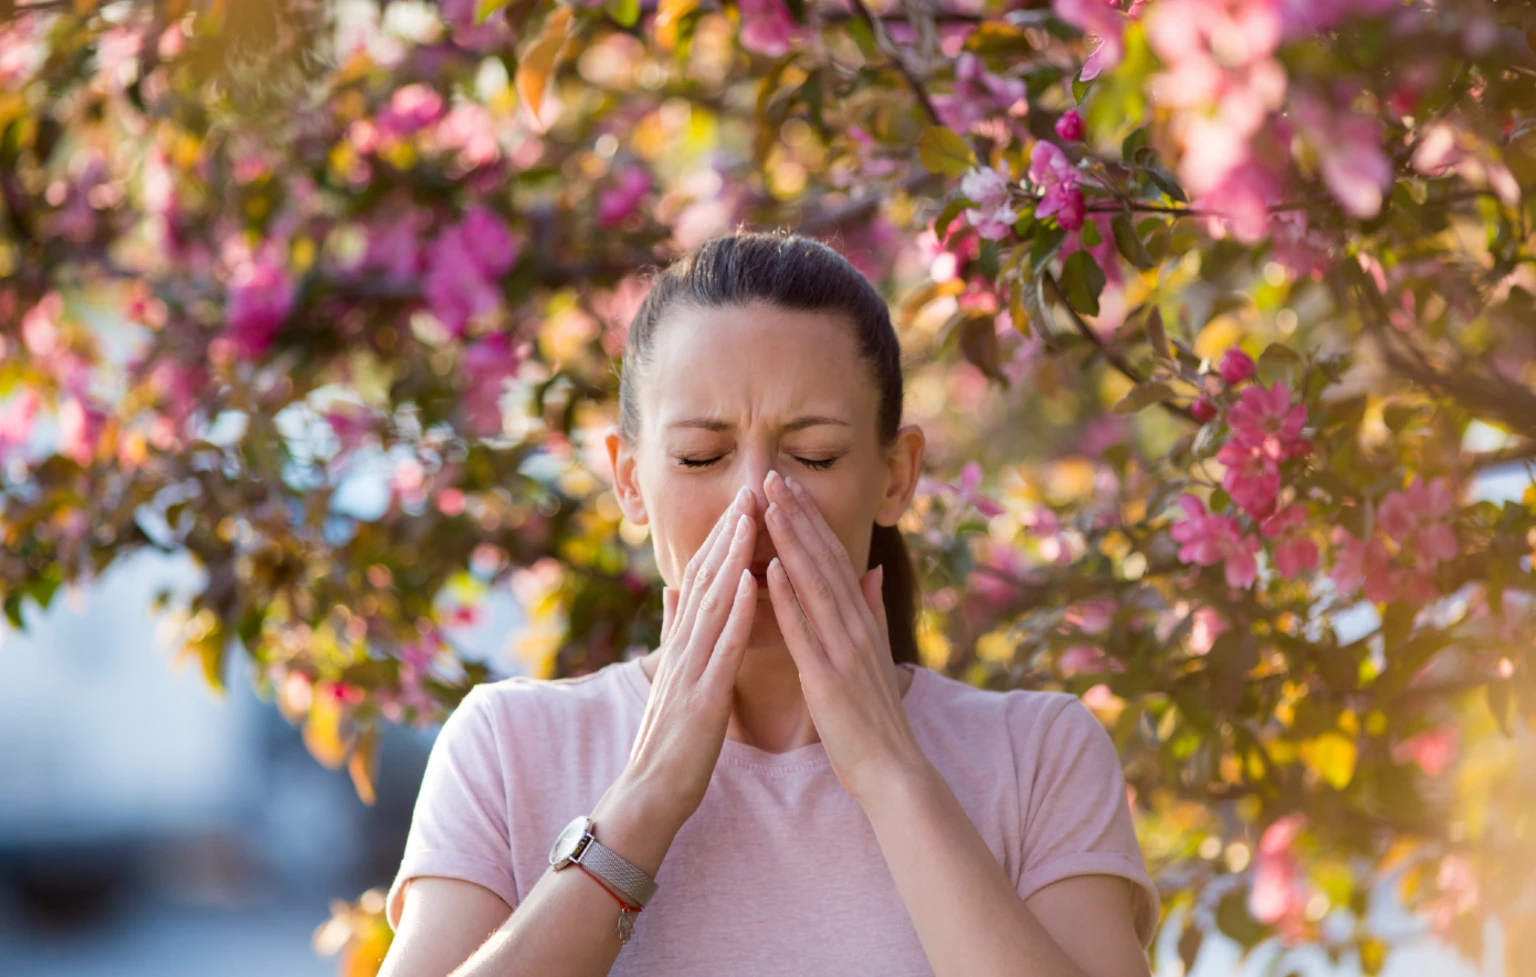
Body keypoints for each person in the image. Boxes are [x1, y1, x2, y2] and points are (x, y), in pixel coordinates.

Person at [379, 230, 1158, 977]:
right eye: (700, 456)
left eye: (815, 455)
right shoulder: (507, 747)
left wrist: (891, 773)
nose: (753, 497)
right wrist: (644, 800)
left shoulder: (1037, 755)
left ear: (895, 475)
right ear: (629, 479)